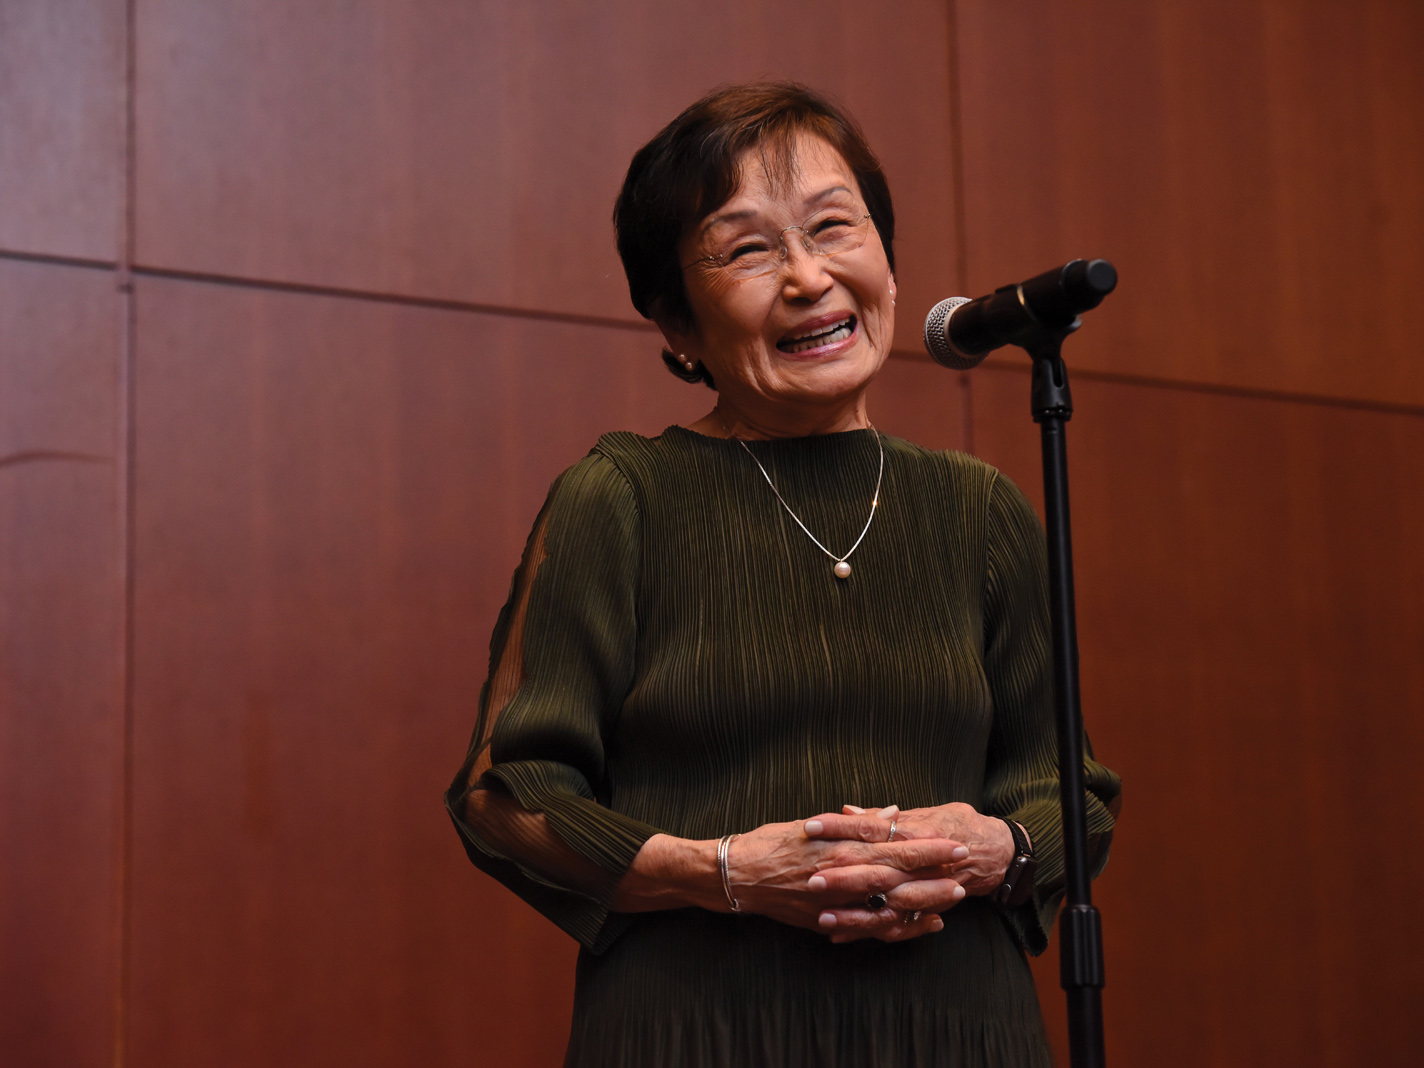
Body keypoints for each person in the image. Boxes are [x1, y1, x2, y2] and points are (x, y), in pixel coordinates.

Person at [446, 82, 1121, 1068]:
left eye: (832, 229)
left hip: (958, 1030)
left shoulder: (978, 508)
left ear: (885, 260)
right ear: (677, 323)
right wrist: (724, 870)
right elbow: (501, 793)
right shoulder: (622, 497)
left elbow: (1070, 789)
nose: (808, 278)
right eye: (747, 249)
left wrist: (997, 848)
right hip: (698, 1029)